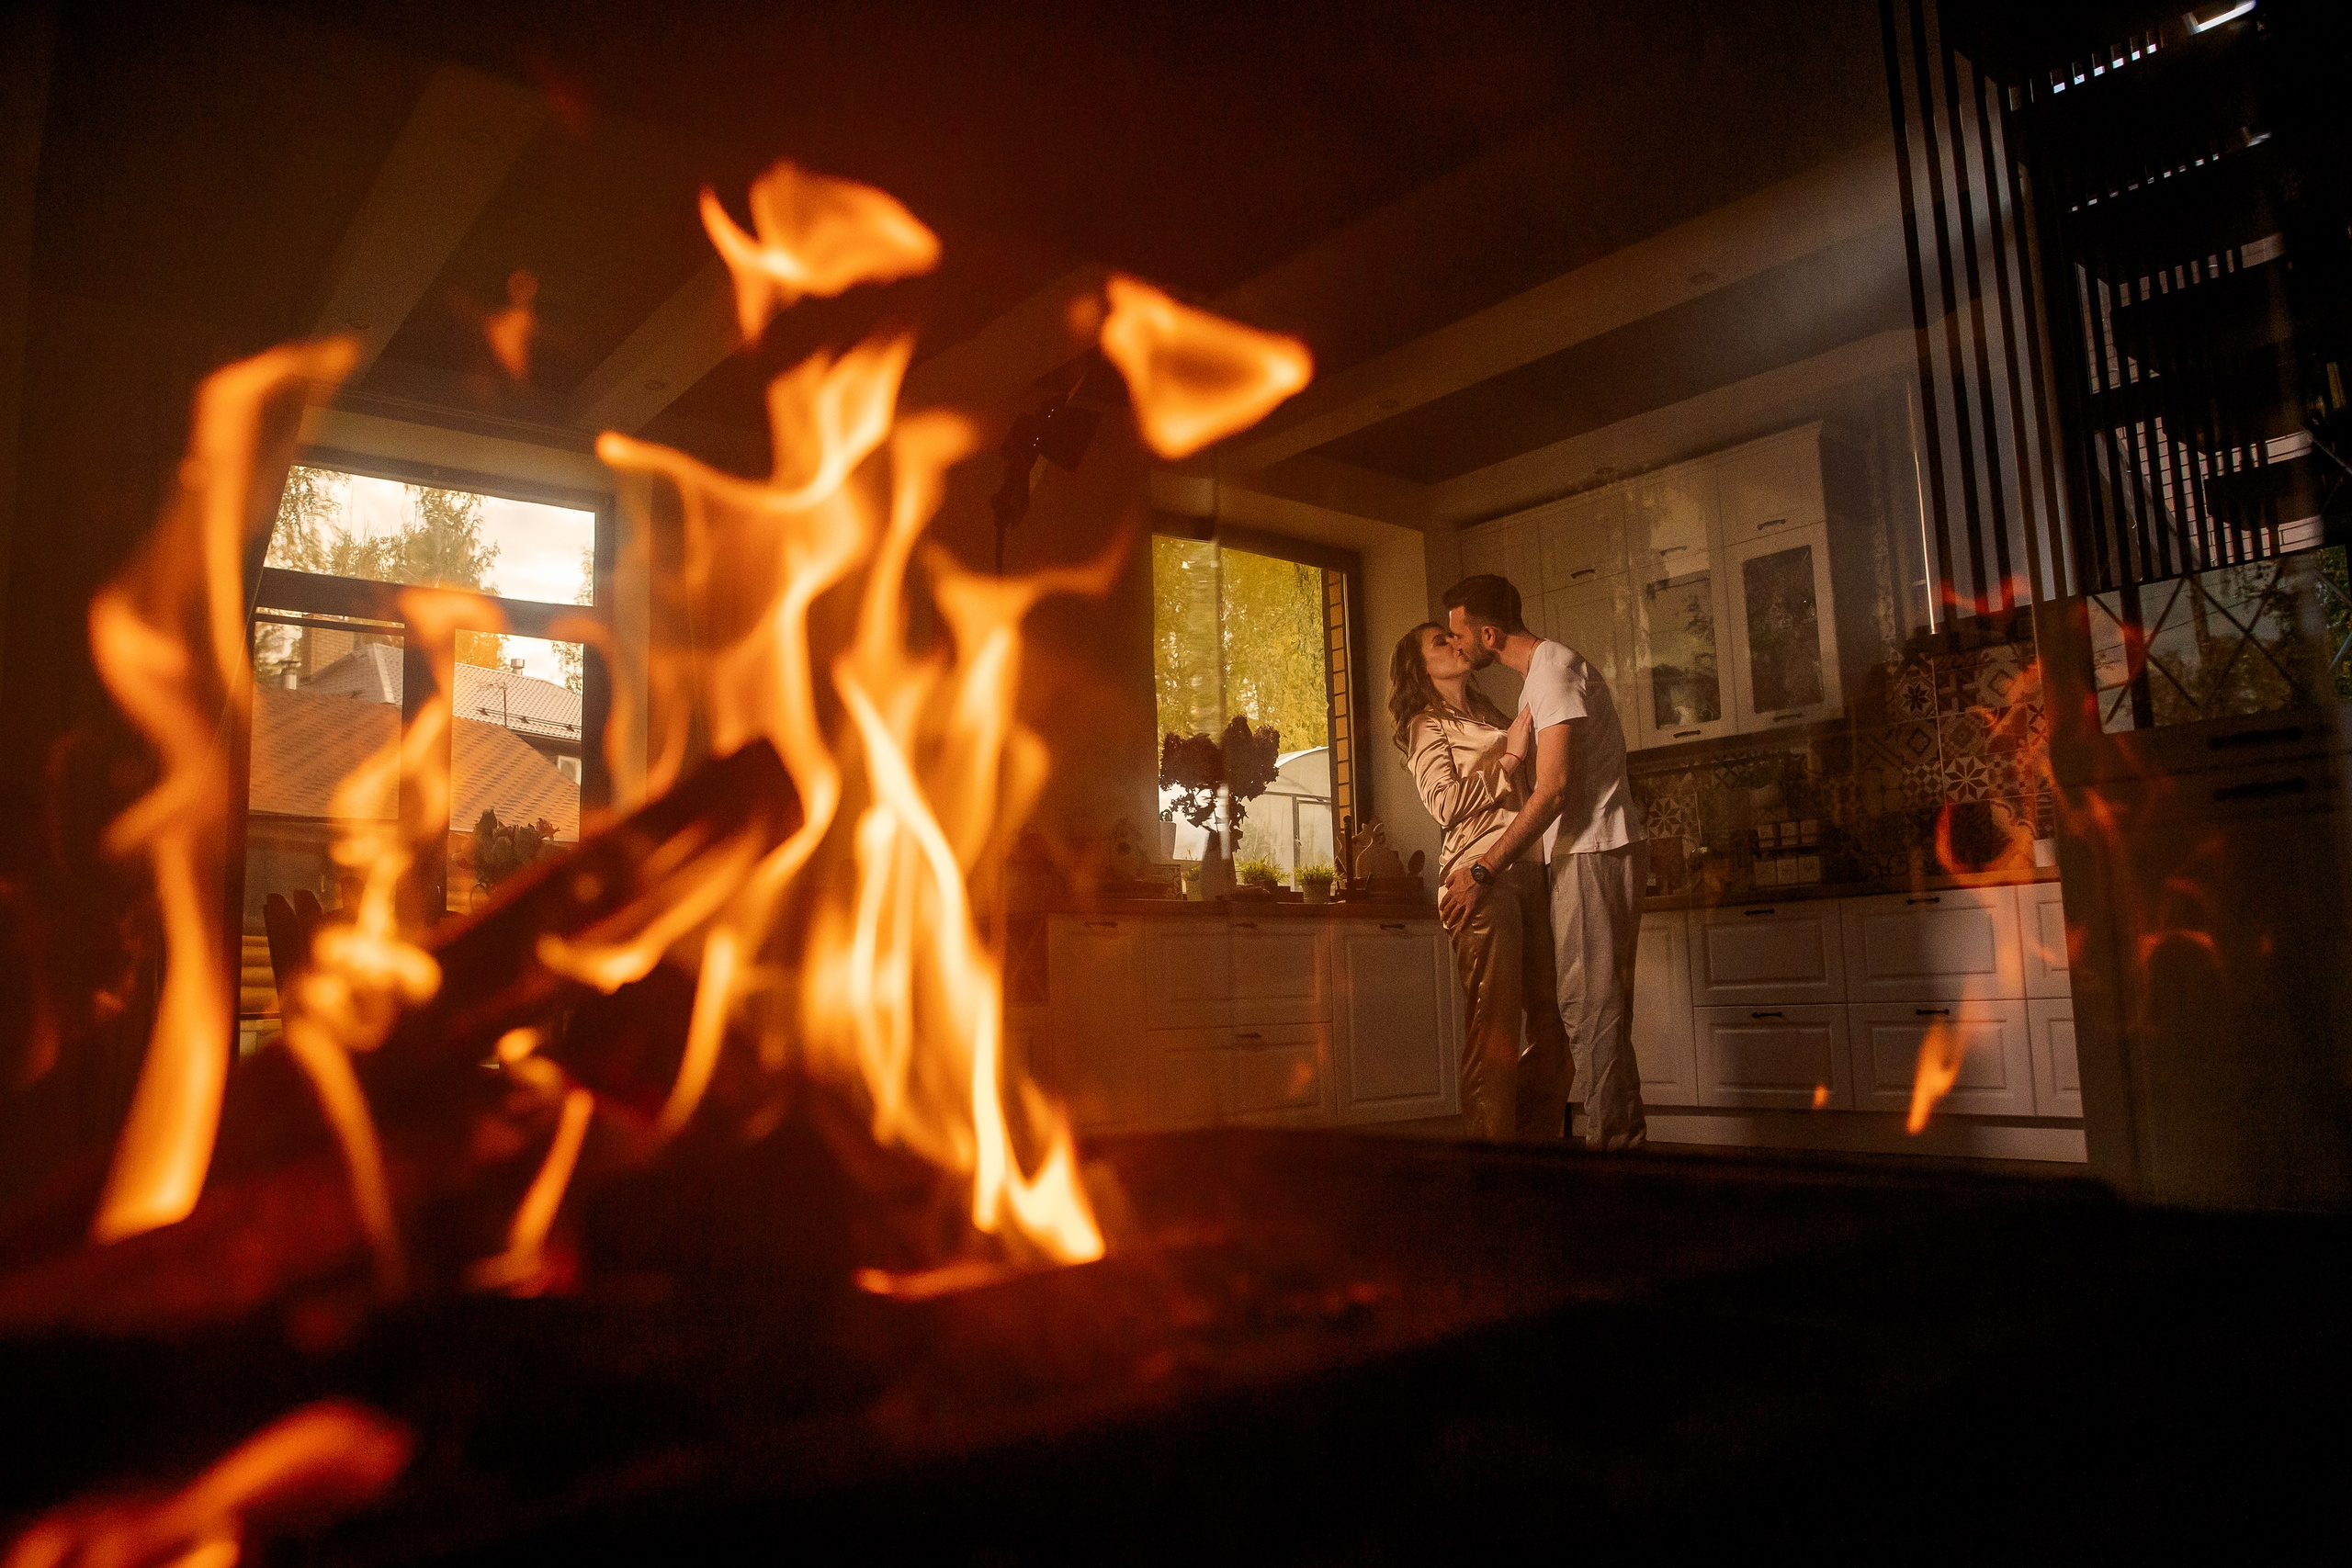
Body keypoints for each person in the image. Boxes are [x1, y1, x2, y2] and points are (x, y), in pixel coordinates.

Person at [1438, 574, 1648, 1150]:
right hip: (1581, 855)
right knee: (1586, 1013)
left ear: (1488, 633)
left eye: (1459, 637)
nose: (1456, 647)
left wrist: (1483, 868)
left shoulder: (1553, 672)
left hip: (1594, 851)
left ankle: (1617, 1159)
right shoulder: (1541, 678)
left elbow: (1553, 791)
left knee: (1594, 1014)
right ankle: (1614, 1148)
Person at [1389, 622, 1571, 1140]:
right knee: (1494, 1030)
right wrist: (1509, 759)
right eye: (1437, 642)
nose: (1453, 643)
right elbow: (1444, 804)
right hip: (1475, 878)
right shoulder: (1428, 724)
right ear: (1420, 667)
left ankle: (1534, 1153)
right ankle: (1491, 1168)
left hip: (1529, 870)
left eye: (1452, 635)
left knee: (1554, 1020)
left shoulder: (1493, 714)